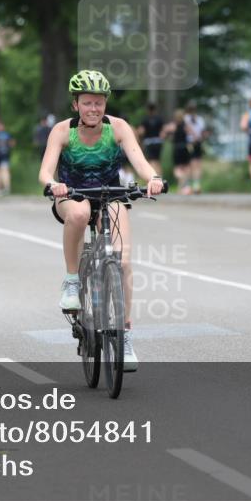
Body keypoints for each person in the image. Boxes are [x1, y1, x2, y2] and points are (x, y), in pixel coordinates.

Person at [39, 70, 165, 373]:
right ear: (76, 105)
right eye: (87, 103)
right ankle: (72, 282)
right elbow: (45, 172)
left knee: (121, 260)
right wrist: (54, 185)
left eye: (98, 103)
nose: (93, 108)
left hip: (110, 195)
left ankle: (125, 335)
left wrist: (154, 179)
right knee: (81, 213)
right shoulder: (61, 131)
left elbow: (139, 160)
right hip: (72, 195)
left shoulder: (118, 128)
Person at [163, 109, 192, 193]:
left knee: (177, 168)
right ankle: (182, 186)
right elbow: (192, 134)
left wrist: (170, 137)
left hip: (176, 148)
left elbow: (164, 133)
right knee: (186, 168)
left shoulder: (173, 126)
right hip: (185, 148)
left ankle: (181, 184)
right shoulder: (186, 125)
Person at [137, 103, 167, 177]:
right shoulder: (159, 119)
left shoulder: (145, 119)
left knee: (151, 161)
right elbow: (163, 132)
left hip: (149, 142)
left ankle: (154, 177)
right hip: (158, 142)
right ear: (155, 109)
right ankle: (160, 177)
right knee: (157, 161)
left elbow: (141, 131)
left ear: (147, 110)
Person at [184, 101, 207, 194]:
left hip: (191, 142)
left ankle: (191, 185)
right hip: (198, 142)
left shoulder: (186, 118)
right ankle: (196, 185)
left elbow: (186, 129)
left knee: (192, 165)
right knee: (197, 165)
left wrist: (195, 136)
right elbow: (202, 132)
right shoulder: (200, 119)